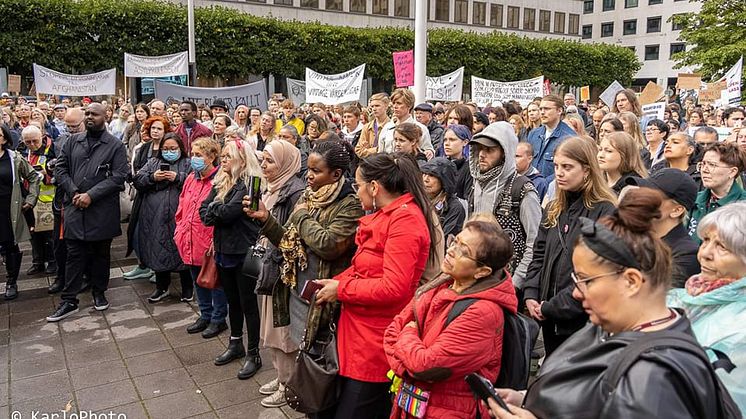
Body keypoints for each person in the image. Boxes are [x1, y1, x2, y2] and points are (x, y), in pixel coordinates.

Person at [492, 187, 725, 419]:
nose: (576, 293)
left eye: (586, 280)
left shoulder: (655, 379)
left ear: (631, 281)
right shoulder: (611, 328)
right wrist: (530, 401)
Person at [313, 152, 434, 418]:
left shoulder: (405, 221)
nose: (356, 192)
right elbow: (363, 267)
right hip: (359, 334)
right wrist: (337, 282)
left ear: (374, 187)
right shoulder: (388, 215)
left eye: (358, 185)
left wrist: (341, 290)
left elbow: (394, 287)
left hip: (375, 341)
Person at [245, 141, 362, 402]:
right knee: (298, 344)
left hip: (323, 297)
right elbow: (287, 239)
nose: (309, 176)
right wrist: (266, 219)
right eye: (308, 170)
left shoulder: (349, 205)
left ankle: (313, 396)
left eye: (316, 171)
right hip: (296, 287)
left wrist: (301, 217)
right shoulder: (308, 197)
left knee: (319, 354)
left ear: (336, 174)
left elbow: (328, 245)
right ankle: (297, 386)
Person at [384, 221, 518, 419]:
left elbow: (425, 366)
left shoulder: (484, 312)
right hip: (411, 404)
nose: (451, 251)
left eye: (463, 251)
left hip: (449, 411)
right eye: (455, 241)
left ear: (482, 272)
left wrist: (409, 335)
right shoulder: (443, 283)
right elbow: (390, 333)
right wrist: (409, 367)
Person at [523, 136, 617, 356]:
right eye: (556, 166)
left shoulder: (605, 211)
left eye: (567, 167)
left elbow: (596, 273)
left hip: (582, 320)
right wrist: (531, 293)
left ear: (586, 170)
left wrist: (551, 307)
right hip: (548, 317)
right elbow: (539, 254)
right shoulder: (554, 208)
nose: (559, 173)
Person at [47, 103, 129, 321]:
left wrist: (91, 195)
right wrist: (74, 191)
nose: (90, 117)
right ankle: (69, 300)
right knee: (74, 253)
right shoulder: (72, 141)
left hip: (101, 209)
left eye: (95, 114)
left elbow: (119, 176)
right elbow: (61, 168)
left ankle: (99, 292)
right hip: (75, 206)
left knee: (100, 253)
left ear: (105, 116)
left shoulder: (115, 145)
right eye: (88, 114)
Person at [668, 202, 746, 411]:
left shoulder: (741, 326)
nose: (704, 254)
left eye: (722, 247)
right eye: (705, 241)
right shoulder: (682, 297)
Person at [200, 139, 264, 379]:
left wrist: (215, 210)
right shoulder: (221, 182)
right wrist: (216, 210)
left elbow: (227, 213)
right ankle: (236, 343)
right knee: (232, 301)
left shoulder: (252, 183)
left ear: (242, 158)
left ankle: (254, 353)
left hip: (244, 252)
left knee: (248, 304)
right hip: (224, 250)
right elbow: (204, 213)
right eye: (222, 156)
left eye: (228, 156)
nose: (223, 160)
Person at [249, 140, 304, 408]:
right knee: (270, 329)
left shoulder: (296, 192)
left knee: (283, 333)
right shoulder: (273, 187)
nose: (264, 166)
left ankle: (289, 384)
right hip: (270, 265)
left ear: (284, 163)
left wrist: (265, 220)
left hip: (284, 270)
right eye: (263, 160)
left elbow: (291, 238)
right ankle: (280, 376)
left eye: (270, 161)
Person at [468, 122, 542, 292]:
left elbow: (535, 242)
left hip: (508, 283)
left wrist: (515, 283)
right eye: (480, 149)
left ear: (504, 153)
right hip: (477, 279)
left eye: (490, 150)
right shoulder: (477, 183)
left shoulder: (522, 189)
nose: (482, 155)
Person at [175, 137, 228, 338]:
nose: (194, 159)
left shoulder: (220, 180)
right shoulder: (191, 178)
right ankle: (205, 314)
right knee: (197, 279)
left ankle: (218, 318)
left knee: (213, 281)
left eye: (199, 155)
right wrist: (179, 228)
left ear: (212, 156)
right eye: (193, 154)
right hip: (188, 238)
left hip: (207, 240)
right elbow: (182, 205)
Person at [132, 133, 193, 303]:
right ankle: (161, 287)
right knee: (158, 248)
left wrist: (178, 177)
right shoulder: (153, 162)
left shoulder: (188, 164)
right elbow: (138, 180)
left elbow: (197, 182)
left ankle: (187, 288)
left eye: (173, 149)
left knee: (182, 250)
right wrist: (153, 177)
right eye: (166, 149)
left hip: (180, 216)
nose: (169, 152)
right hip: (155, 216)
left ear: (180, 148)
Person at [625, 169, 701, 288]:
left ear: (676, 210)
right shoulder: (635, 237)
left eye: (650, 197)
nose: (639, 200)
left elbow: (654, 297)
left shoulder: (686, 255)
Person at [125, 116, 173, 282]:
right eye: (153, 128)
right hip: (144, 193)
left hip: (162, 196)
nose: (155, 131)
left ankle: (157, 267)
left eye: (159, 129)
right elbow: (137, 171)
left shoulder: (170, 148)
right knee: (138, 231)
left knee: (158, 231)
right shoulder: (143, 148)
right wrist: (147, 178)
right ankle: (143, 264)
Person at [0, 125, 39, 300]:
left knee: (10, 245)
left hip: (9, 208)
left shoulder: (14, 158)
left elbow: (33, 177)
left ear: (5, 139)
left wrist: (31, 200)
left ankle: (11, 282)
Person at [688, 142, 746, 241]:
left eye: (712, 165)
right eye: (703, 164)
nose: (704, 170)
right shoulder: (694, 199)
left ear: (732, 172)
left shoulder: (742, 206)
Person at [21, 126, 57, 276]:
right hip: (30, 199)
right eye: (27, 142)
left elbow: (59, 172)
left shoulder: (53, 149)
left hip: (48, 199)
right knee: (33, 233)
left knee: (49, 234)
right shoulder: (22, 151)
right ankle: (38, 262)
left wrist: (46, 174)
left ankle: (52, 261)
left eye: (34, 141)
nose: (32, 145)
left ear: (42, 137)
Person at [527, 94, 576, 179]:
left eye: (547, 109)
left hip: (554, 188)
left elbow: (569, 169)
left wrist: (544, 184)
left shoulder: (569, 138)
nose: (542, 112)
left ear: (559, 111)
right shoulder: (533, 134)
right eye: (541, 109)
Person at [420, 157, 466, 242]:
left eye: (432, 175)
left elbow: (445, 241)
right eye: (424, 174)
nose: (425, 179)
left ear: (444, 180)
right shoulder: (419, 200)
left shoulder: (455, 208)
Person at [379, 89, 434, 158]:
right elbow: (380, 152)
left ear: (409, 106)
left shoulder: (420, 128)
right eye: (393, 103)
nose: (395, 106)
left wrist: (429, 151)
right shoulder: (387, 127)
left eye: (399, 103)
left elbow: (428, 151)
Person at [443, 124, 473, 200]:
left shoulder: (470, 168)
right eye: (445, 140)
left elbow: (467, 200)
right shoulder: (441, 165)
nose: (447, 143)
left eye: (452, 139)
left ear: (465, 142)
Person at [356, 93, 390, 159]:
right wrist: (376, 150)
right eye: (372, 106)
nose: (374, 109)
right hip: (369, 165)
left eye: (377, 106)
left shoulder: (391, 126)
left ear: (386, 106)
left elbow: (388, 152)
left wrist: (369, 150)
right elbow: (358, 151)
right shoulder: (367, 127)